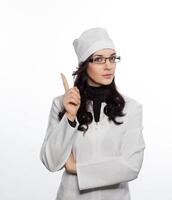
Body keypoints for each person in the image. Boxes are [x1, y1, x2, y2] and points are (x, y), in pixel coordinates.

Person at [40, 27, 146, 200]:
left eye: (112, 58)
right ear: (84, 64)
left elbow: (131, 166)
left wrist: (77, 168)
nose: (108, 66)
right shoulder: (61, 104)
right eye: (99, 59)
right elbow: (51, 162)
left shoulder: (131, 108)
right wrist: (70, 117)